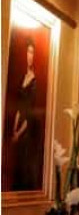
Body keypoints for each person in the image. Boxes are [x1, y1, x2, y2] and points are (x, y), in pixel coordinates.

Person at [10, 39, 41, 190]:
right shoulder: (22, 77)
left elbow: (30, 114)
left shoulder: (34, 81)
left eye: (32, 52)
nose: (30, 55)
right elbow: (18, 108)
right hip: (19, 127)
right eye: (28, 52)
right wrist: (14, 130)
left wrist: (19, 133)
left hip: (27, 130)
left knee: (24, 168)